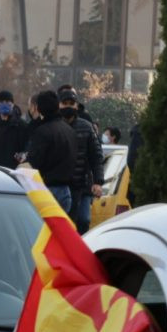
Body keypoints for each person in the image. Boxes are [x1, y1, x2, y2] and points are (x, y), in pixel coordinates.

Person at [60, 88, 104, 234]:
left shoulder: (86, 127)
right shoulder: (55, 126)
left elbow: (96, 156)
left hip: (83, 185)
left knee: (83, 220)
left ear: (76, 106)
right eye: (64, 103)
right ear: (59, 105)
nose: (68, 106)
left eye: (71, 103)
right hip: (59, 184)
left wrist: (98, 181)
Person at [26, 90, 76, 214]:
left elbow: (34, 163)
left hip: (46, 191)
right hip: (66, 191)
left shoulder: (42, 132)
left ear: (39, 108)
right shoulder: (69, 130)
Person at [0, 90, 28, 169]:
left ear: (12, 104)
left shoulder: (21, 125)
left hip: (12, 170)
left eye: (7, 102)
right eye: (1, 102)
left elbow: (25, 149)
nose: (4, 104)